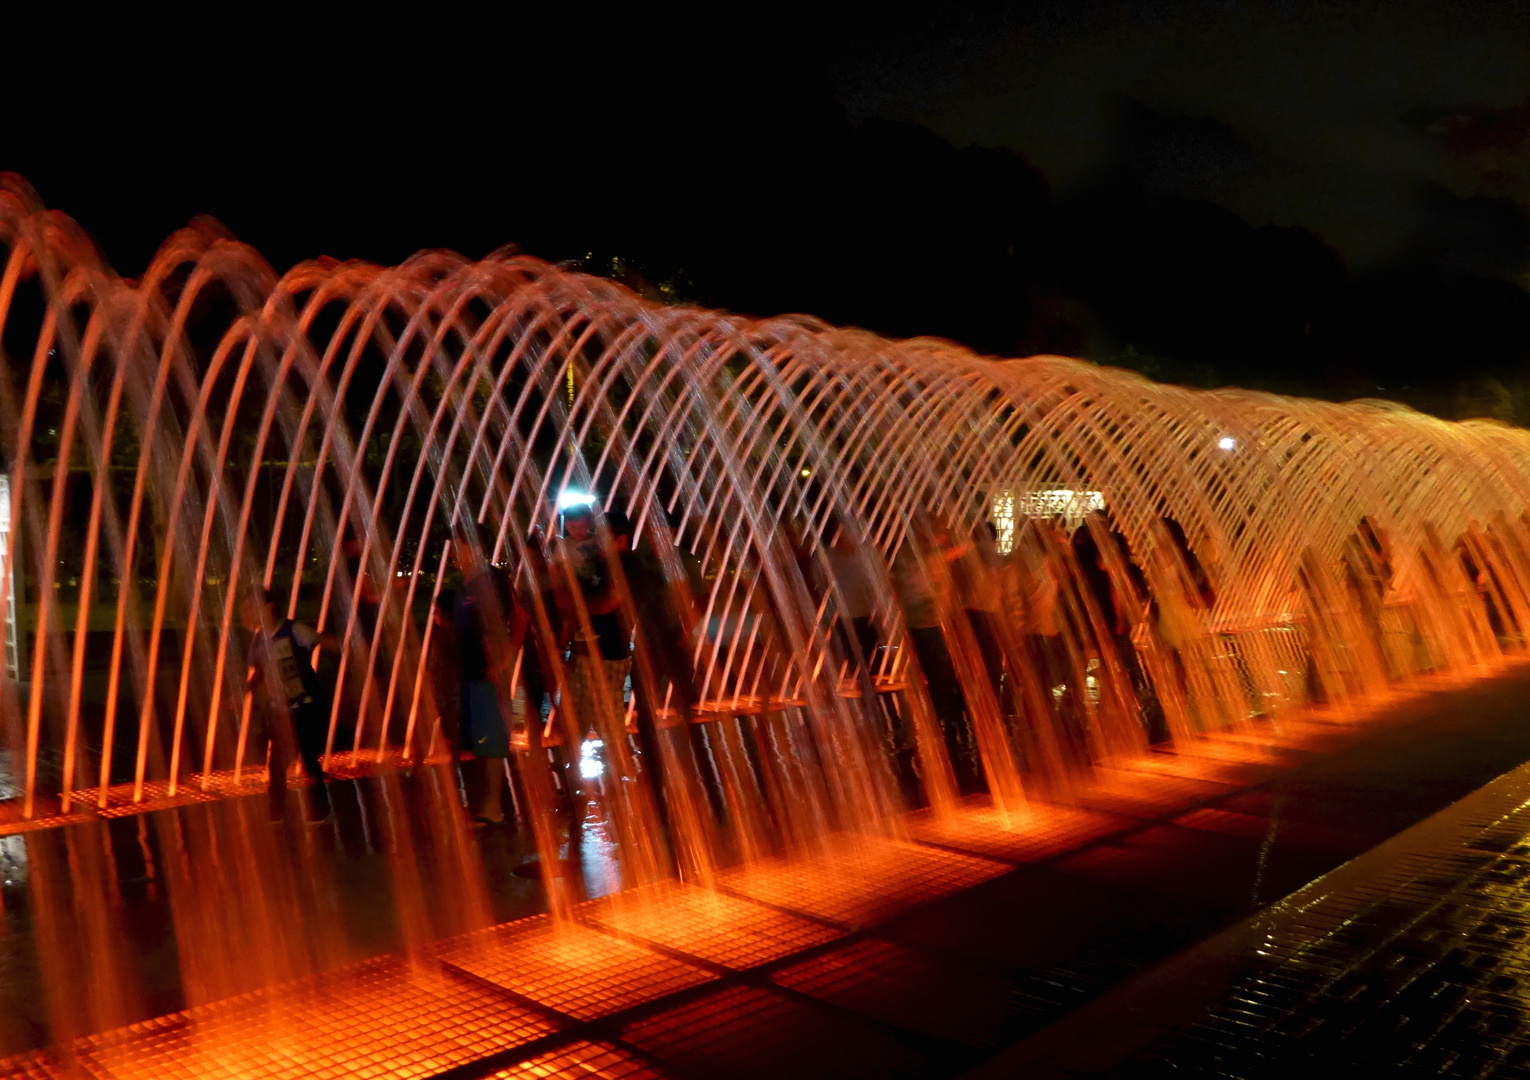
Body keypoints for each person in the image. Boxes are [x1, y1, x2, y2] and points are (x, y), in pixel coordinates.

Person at [243, 586, 334, 824]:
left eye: (250, 608)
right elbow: (259, 673)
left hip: (304, 707)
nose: (246, 615)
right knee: (276, 764)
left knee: (308, 759)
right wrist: (245, 691)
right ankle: (277, 809)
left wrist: (341, 643)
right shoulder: (258, 640)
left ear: (269, 608)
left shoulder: (294, 630)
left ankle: (319, 808)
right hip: (279, 710)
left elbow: (322, 641)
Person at [452, 539, 517, 826]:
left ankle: (494, 808)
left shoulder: (491, 579)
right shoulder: (468, 583)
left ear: (476, 549)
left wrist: (502, 659)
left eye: (459, 547)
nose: (453, 554)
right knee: (480, 740)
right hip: (469, 671)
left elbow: (517, 617)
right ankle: (485, 805)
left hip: (486, 673)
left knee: (491, 741)